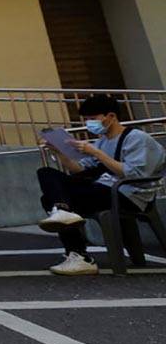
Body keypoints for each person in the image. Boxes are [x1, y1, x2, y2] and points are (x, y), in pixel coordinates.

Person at [37, 94, 166, 276]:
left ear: (111, 116)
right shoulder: (103, 141)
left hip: (127, 194)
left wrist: (97, 153)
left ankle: (79, 254)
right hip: (103, 189)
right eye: (87, 120)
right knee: (46, 174)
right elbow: (80, 169)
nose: (89, 123)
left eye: (92, 119)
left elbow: (134, 173)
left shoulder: (137, 138)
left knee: (50, 199)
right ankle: (63, 213)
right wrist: (59, 151)